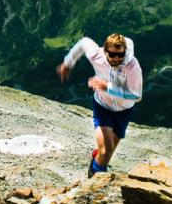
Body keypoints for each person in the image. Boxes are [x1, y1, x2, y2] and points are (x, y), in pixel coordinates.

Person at [56, 33, 143, 177]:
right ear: (105, 51)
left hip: (124, 111)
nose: (116, 58)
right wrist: (67, 63)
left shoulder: (132, 66)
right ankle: (95, 181)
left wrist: (108, 87)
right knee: (106, 150)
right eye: (112, 54)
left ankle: (96, 159)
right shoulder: (97, 56)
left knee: (107, 154)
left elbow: (136, 95)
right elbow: (84, 42)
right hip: (102, 106)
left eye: (120, 55)